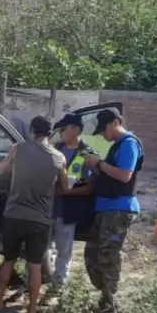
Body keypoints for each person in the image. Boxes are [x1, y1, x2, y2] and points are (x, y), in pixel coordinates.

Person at [0, 116, 68, 313]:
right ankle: (32, 310)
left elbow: (1, 171)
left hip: (14, 215)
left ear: (32, 130)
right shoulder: (59, 157)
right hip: (40, 219)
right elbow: (64, 186)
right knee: (35, 265)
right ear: (51, 133)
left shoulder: (18, 149)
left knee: (8, 260)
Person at [83, 108, 143, 313]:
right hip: (105, 207)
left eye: (104, 129)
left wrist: (99, 163)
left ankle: (110, 303)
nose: (103, 135)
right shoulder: (116, 145)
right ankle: (105, 297)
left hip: (118, 208)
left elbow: (125, 175)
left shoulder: (129, 144)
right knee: (93, 253)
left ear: (116, 122)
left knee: (108, 254)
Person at [49, 113, 97, 286]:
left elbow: (90, 188)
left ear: (76, 130)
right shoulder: (54, 149)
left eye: (64, 129)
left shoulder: (87, 154)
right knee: (42, 249)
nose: (61, 132)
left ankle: (59, 284)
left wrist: (66, 192)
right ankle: (38, 279)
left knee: (64, 250)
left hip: (68, 210)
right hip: (47, 208)